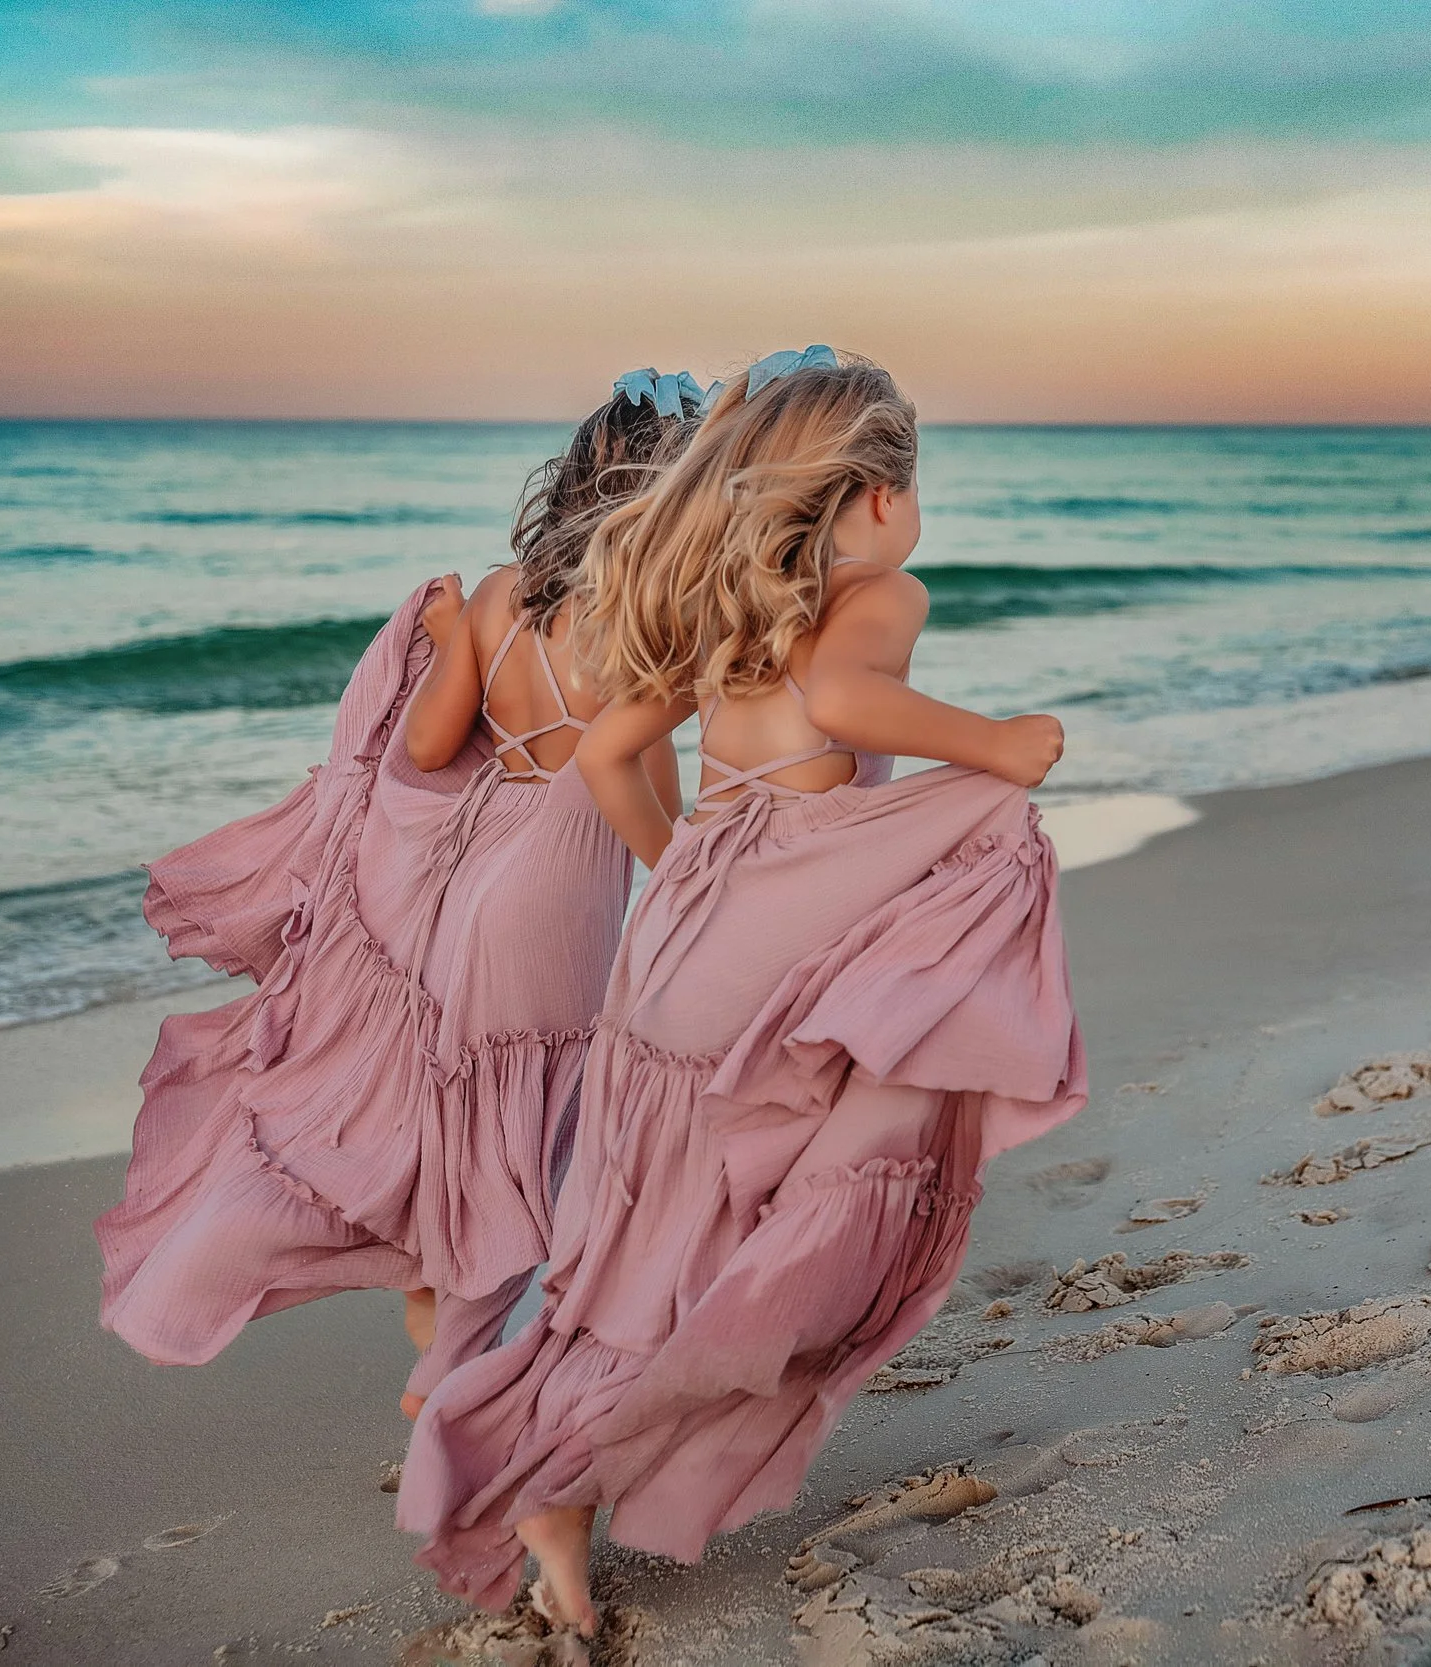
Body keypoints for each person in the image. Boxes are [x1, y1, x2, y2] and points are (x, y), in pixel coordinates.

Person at [397, 346, 1085, 1638]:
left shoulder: (717, 611)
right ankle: (615, 1446)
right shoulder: (882, 593)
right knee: (792, 1195)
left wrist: (685, 868)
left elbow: (608, 753)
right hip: (767, 957)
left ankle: (545, 1488)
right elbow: (843, 695)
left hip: (670, 958)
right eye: (916, 481)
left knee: (620, 1240)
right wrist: (995, 745)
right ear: (871, 498)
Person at [97, 369, 704, 1417]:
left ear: (574, 476)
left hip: (456, 880)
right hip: (559, 887)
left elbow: (426, 742)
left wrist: (439, 644)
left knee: (446, 1103)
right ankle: (461, 1380)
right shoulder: (654, 627)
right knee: (528, 1115)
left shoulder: (500, 597)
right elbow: (653, 795)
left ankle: (436, 1346)